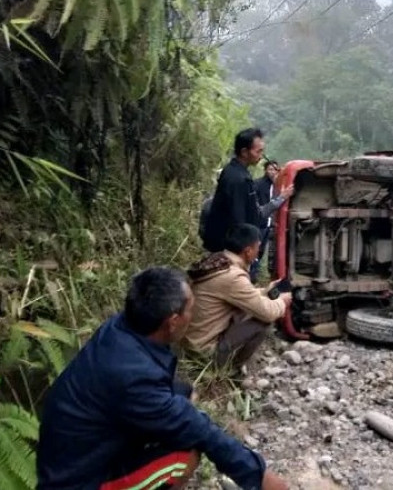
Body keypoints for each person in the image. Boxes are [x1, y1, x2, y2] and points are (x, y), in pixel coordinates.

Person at [36, 267, 289, 490]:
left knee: (184, 395)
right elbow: (200, 431)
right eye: (191, 309)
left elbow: (167, 398)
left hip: (76, 457)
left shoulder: (122, 328)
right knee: (184, 455)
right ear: (173, 322)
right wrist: (258, 475)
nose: (194, 314)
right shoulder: (133, 377)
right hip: (80, 481)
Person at [184, 224, 293, 368]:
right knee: (262, 321)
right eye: (257, 247)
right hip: (204, 353)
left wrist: (266, 291)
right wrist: (282, 302)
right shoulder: (233, 276)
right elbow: (268, 313)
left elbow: (241, 295)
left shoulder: (218, 261)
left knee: (249, 310)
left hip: (191, 343)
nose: (258, 251)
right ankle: (230, 369)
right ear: (247, 251)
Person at [201, 128, 292, 255]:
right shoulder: (238, 179)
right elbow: (239, 220)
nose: (261, 156)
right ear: (244, 152)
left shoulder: (234, 171)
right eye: (258, 151)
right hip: (227, 250)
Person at [252, 160, 288, 281]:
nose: (273, 172)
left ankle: (261, 274)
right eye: (270, 169)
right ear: (265, 170)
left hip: (271, 224)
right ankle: (252, 275)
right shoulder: (258, 184)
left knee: (264, 250)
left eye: (275, 170)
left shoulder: (279, 187)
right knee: (255, 249)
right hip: (259, 222)